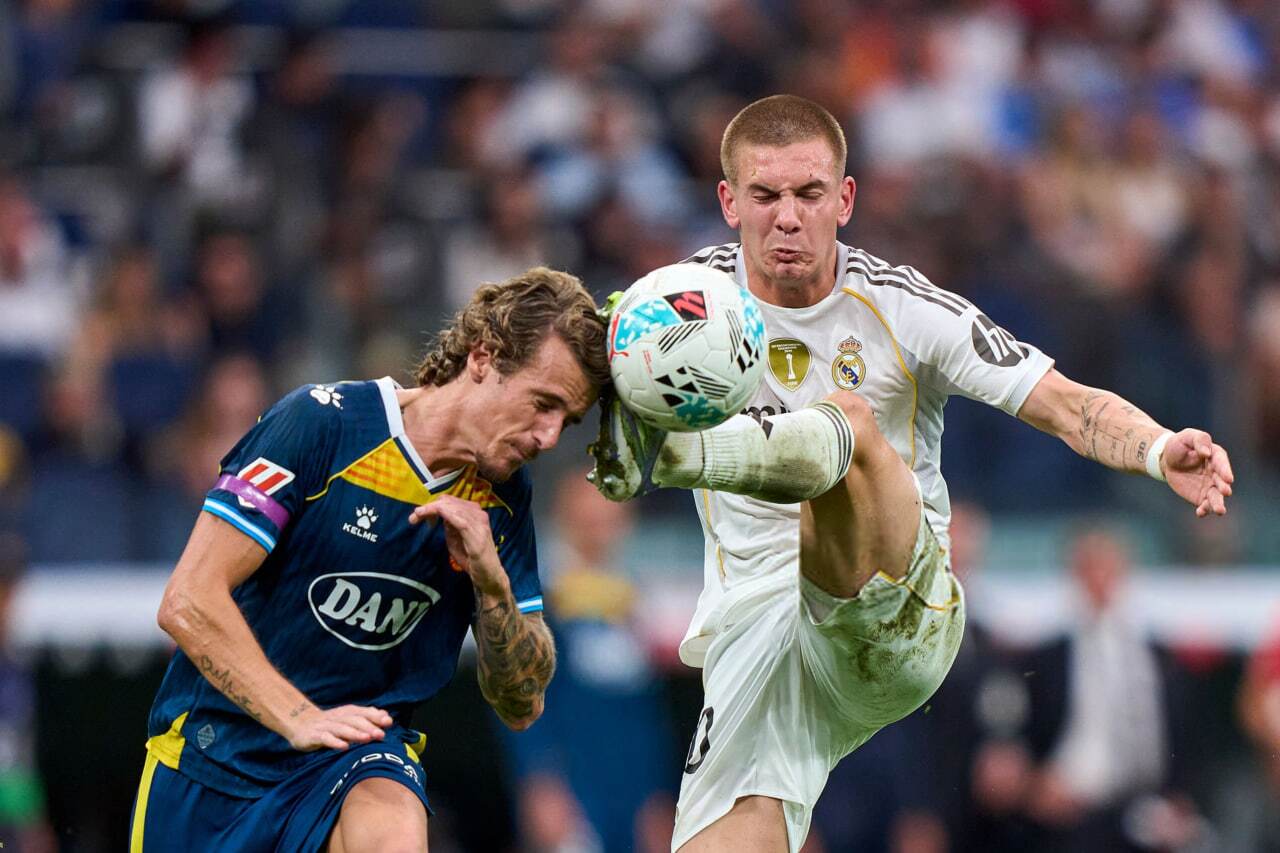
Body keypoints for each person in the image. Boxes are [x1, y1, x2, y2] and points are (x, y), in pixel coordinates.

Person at [589, 94, 1234, 853]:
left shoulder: (903, 308)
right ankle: (666, 455)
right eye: (765, 196)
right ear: (729, 201)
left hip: (897, 610)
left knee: (849, 421)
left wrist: (1159, 449)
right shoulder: (676, 309)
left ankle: (671, 456)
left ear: (845, 199)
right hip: (757, 633)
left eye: (808, 194)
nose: (787, 217)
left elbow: (1064, 404)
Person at [130, 267, 607, 852]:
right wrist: (299, 717)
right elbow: (188, 600)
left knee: (391, 811)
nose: (550, 436)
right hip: (212, 760)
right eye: (543, 404)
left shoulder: (503, 500)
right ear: (484, 356)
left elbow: (522, 703)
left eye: (567, 420)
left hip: (354, 756)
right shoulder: (322, 424)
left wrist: (491, 584)